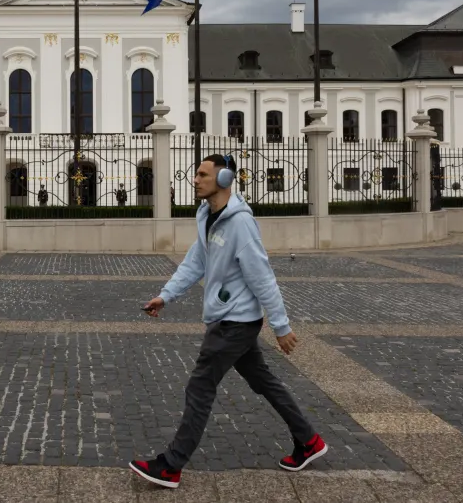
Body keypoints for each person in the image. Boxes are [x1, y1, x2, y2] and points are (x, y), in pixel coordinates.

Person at [129, 154, 327, 489]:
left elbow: (262, 276)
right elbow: (195, 261)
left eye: (203, 175)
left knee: (200, 386)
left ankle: (171, 465)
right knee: (264, 382)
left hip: (234, 322)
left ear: (223, 180)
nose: (195, 179)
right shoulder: (207, 215)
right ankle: (309, 441)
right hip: (232, 320)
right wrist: (166, 295)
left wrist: (281, 327)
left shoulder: (239, 223)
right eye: (196, 174)